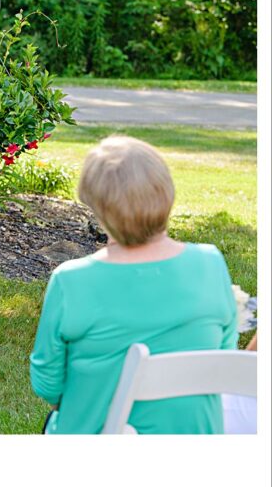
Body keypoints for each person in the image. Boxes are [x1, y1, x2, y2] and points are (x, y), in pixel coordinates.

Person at [30, 136, 239, 434]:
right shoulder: (210, 263)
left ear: (98, 207)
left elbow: (48, 385)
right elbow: (223, 354)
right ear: (166, 193)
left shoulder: (71, 280)